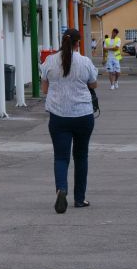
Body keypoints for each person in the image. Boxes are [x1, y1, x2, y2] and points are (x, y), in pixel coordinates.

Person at [41, 27, 98, 213]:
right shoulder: (85, 61)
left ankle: (61, 189)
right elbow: (93, 84)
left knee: (61, 157)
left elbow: (44, 89)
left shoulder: (50, 61)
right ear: (77, 43)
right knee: (81, 157)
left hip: (59, 116)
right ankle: (80, 199)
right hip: (83, 115)